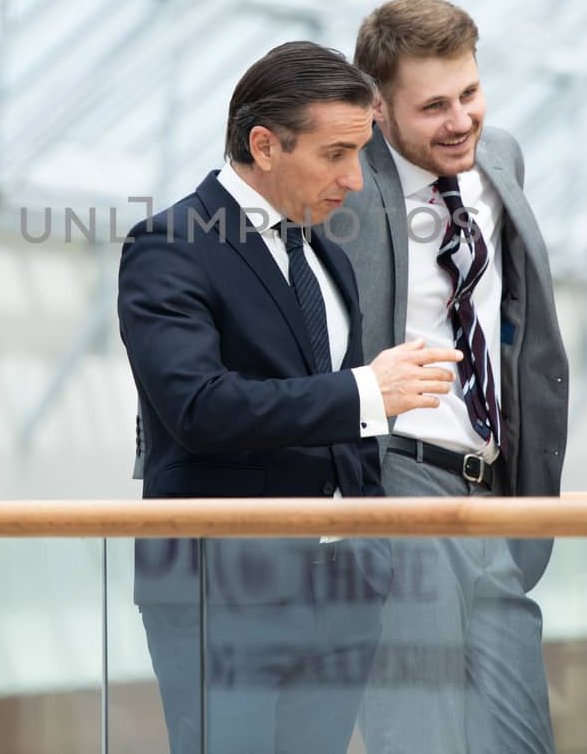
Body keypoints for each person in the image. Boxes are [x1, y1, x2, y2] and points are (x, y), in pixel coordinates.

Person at [117, 40, 463, 754]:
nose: (355, 182)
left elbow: (333, 420)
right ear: (264, 145)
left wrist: (370, 547)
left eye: (359, 155)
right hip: (224, 594)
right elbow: (201, 408)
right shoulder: (169, 245)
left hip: (341, 594)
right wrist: (368, 389)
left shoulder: (325, 253)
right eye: (335, 155)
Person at [338, 0, 570, 754]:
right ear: (378, 109)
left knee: (523, 734)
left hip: (497, 492)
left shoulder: (499, 157)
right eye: (433, 105)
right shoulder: (348, 187)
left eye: (469, 93)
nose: (460, 119)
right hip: (402, 483)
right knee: (422, 736)